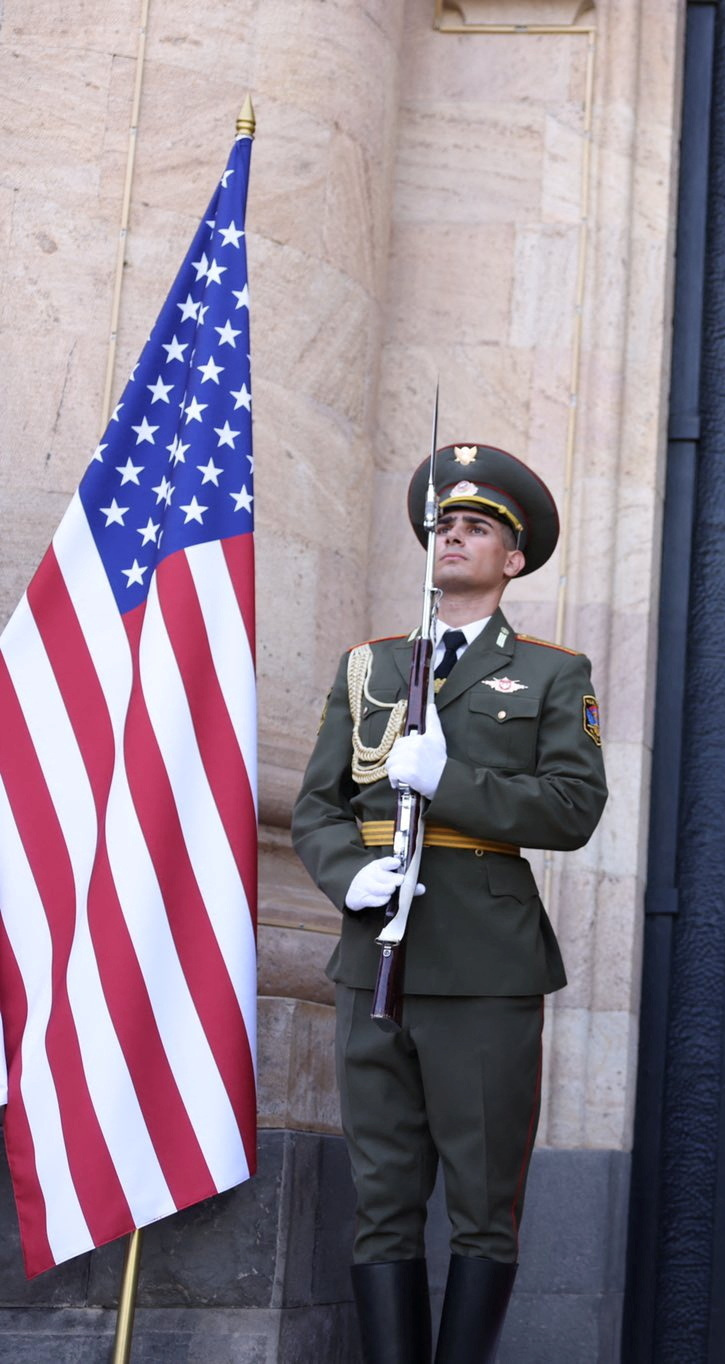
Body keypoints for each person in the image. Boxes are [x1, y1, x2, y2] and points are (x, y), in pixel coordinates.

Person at [293, 444, 609, 1364]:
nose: (454, 537)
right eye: (445, 525)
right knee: (382, 1200)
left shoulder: (551, 673)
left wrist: (452, 782)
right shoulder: (371, 667)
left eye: (476, 527)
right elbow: (316, 807)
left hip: (483, 967)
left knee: (481, 1204)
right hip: (375, 955)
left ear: (514, 557)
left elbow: (573, 809)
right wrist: (347, 875)